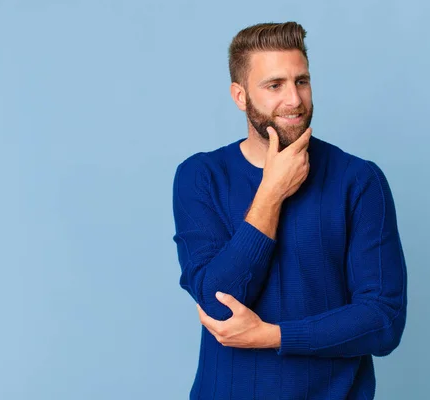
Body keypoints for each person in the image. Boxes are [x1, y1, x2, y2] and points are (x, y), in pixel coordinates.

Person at [172, 21, 407, 400]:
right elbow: (219, 303)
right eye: (274, 85)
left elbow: (383, 319)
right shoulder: (200, 177)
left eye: (302, 81)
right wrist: (272, 192)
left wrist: (273, 336)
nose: (294, 100)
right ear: (240, 95)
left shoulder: (358, 179)